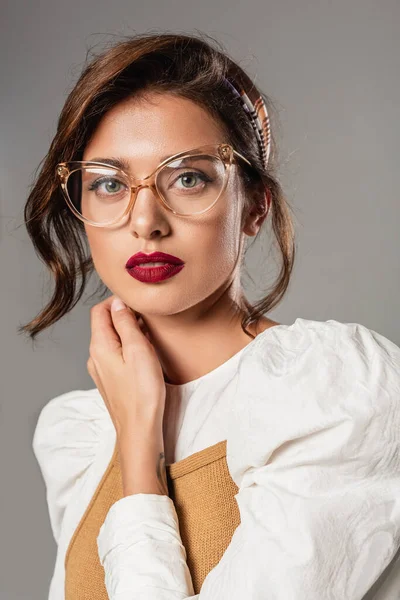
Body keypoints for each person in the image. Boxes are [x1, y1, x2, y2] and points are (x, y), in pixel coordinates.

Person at [22, 31, 400, 600]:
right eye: (108, 183)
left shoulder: (331, 396)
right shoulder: (79, 433)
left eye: (188, 177)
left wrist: (142, 458)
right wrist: (127, 427)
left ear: (253, 206)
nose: (145, 220)